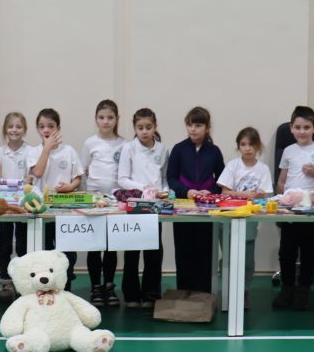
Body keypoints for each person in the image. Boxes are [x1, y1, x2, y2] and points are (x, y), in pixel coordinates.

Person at [273, 105, 314, 310]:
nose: (302, 131)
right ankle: (287, 289)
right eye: (298, 127)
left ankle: (303, 291)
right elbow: (282, 180)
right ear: (291, 128)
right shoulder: (288, 151)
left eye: (306, 127)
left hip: (313, 207)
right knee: (287, 251)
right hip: (291, 209)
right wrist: (281, 200)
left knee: (310, 250)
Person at [167, 106, 225, 293]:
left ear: (207, 128)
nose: (193, 129)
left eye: (198, 125)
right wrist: (187, 191)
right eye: (190, 125)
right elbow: (171, 178)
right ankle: (183, 292)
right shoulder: (178, 149)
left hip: (206, 209)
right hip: (182, 206)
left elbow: (222, 179)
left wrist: (211, 192)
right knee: (183, 250)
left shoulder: (214, 151)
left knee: (204, 250)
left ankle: (203, 295)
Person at [216, 127, 273, 309]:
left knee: (247, 260)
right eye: (243, 144)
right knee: (228, 257)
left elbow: (266, 195)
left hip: (250, 218)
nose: (247, 148)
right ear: (238, 146)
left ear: (258, 146)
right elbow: (224, 192)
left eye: (251, 144)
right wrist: (244, 194)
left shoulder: (263, 169)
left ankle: (244, 290)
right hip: (229, 217)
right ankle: (228, 290)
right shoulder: (233, 166)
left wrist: (259, 195)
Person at [27, 108, 83, 291]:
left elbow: (78, 177)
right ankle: (45, 289)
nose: (46, 130)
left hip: (65, 210)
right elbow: (38, 172)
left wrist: (70, 186)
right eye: (41, 126)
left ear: (58, 128)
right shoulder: (34, 151)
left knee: (66, 253)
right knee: (44, 252)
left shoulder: (69, 151)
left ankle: (66, 287)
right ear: (37, 129)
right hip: (42, 210)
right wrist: (46, 149)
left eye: (50, 126)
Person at [118, 108, 168, 308]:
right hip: (135, 205)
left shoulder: (162, 149)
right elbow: (122, 179)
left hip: (155, 206)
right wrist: (144, 188)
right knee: (132, 250)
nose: (144, 131)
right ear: (134, 128)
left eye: (148, 127)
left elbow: (164, 178)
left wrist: (164, 191)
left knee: (154, 250)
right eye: (140, 127)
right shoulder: (128, 148)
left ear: (155, 127)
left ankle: (151, 293)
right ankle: (131, 294)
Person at [81, 99, 125, 306]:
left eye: (110, 117)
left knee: (110, 245)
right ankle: (95, 286)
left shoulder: (124, 144)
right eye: (101, 117)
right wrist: (85, 198)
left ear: (117, 119)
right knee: (94, 244)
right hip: (94, 200)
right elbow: (83, 171)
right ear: (96, 119)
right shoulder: (90, 143)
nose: (106, 121)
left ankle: (109, 285)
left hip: (115, 201)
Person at [0, 112, 31, 302]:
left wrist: (25, 185)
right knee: (5, 245)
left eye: (18, 126)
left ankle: (23, 280)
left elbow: (30, 178)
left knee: (23, 244)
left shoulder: (30, 151)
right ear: (5, 129)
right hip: (5, 205)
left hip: (23, 205)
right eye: (10, 126)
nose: (14, 130)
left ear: (24, 130)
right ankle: (5, 281)